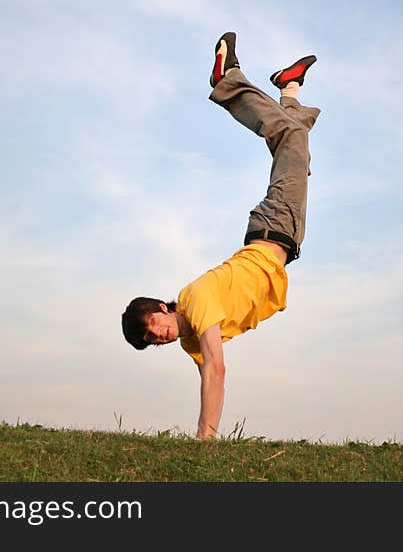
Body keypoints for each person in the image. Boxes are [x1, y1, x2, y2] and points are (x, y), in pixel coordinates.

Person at [121, 31, 321, 439]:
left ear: (162, 306)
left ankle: (227, 80)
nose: (160, 335)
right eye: (153, 339)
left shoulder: (195, 301)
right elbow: (205, 372)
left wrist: (204, 438)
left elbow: (217, 369)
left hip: (274, 226)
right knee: (295, 142)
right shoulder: (190, 339)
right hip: (285, 236)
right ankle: (289, 87)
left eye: (154, 324)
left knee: (291, 139)